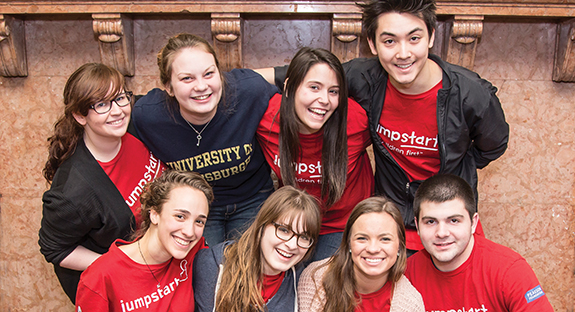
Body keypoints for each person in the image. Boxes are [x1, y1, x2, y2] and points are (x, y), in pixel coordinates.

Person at [263, 0, 509, 254]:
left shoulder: (471, 94)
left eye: (414, 38)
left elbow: (493, 145)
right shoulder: (365, 78)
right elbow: (302, 76)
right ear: (372, 43)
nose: (403, 53)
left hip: (444, 220)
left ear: (431, 36)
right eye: (389, 41)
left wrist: (457, 165)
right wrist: (227, 79)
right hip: (389, 221)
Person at [132, 33, 279, 247]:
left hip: (253, 197)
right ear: (169, 87)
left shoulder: (248, 91)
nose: (201, 86)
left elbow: (301, 87)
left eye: (209, 74)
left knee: (249, 267)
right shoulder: (148, 115)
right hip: (196, 207)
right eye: (187, 78)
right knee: (203, 270)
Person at [38, 63, 164, 303]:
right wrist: (121, 266)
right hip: (123, 287)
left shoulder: (136, 124)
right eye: (101, 105)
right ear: (79, 116)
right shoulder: (73, 191)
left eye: (119, 98)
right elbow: (54, 248)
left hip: (159, 263)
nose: (116, 111)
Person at [257, 47, 373, 261]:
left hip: (342, 225)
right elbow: (237, 83)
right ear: (289, 87)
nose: (325, 100)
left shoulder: (355, 119)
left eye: (334, 91)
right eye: (314, 87)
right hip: (293, 222)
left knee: (317, 283)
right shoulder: (268, 119)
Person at [405, 174, 553, 311]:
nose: (442, 233)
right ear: (417, 226)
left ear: (473, 223)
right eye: (430, 222)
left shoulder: (510, 270)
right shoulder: (407, 274)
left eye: (454, 220)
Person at [75, 170, 212, 311]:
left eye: (199, 221)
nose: (189, 232)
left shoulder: (195, 250)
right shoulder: (100, 277)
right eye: (180, 216)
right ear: (154, 215)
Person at [193, 185, 321, 312]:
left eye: (304, 237)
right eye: (284, 230)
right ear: (262, 225)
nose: (292, 245)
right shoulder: (212, 264)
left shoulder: (303, 283)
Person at [298, 197, 424, 312]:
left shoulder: (411, 304)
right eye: (362, 238)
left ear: (400, 246)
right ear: (348, 243)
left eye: (385, 239)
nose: (373, 249)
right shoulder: (314, 280)